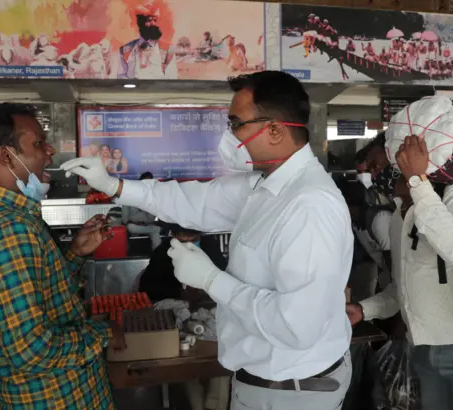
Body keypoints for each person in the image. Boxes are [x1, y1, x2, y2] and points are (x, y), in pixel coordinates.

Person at [61, 70, 354, 410]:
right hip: (268, 384)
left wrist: (213, 281)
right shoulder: (265, 185)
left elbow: (297, 326)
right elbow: (193, 201)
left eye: (236, 123)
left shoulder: (308, 206)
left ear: (274, 130)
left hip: (292, 392)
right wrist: (116, 187)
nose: (229, 135)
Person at [0, 103, 126, 409]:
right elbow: (32, 350)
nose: (49, 151)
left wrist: (75, 253)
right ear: (5, 156)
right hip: (55, 398)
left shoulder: (4, 217)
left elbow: (38, 293)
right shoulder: (7, 229)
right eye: (37, 143)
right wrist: (103, 334)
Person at [346, 135, 453, 410]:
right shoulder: (399, 217)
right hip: (424, 352)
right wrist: (365, 310)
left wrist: (417, 183)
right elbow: (402, 290)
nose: (375, 174)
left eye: (378, 164)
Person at [137, 224, 227, 303]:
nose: (189, 244)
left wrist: (205, 286)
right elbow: (147, 287)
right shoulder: (162, 253)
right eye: (182, 242)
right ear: (173, 237)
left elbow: (224, 275)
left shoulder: (210, 246)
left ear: (200, 235)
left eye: (194, 240)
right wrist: (179, 292)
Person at [119, 2, 176, 79]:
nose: (153, 23)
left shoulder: (168, 49)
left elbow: (171, 79)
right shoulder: (126, 49)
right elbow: (121, 76)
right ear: (140, 23)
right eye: (149, 20)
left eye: (155, 20)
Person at [122, 171, 162, 250]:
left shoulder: (155, 196)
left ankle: (157, 256)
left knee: (156, 230)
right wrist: (125, 224)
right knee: (131, 227)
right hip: (134, 226)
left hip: (150, 225)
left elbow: (158, 216)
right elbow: (125, 216)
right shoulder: (130, 195)